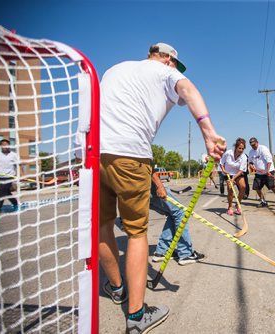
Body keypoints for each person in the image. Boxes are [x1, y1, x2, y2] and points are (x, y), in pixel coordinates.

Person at [99, 42, 226, 333]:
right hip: (130, 155)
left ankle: (117, 288)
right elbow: (188, 89)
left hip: (95, 154)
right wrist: (208, 132)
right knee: (136, 233)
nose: (174, 69)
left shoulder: (116, 69)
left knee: (103, 225)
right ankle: (136, 316)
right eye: (174, 64)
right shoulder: (164, 72)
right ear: (167, 59)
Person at [150, 173, 205, 266]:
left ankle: (162, 252)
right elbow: (146, 165)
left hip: (134, 191)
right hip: (149, 188)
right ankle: (186, 254)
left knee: (172, 213)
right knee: (181, 213)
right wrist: (159, 186)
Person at [0, 139, 21, 214]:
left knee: (2, 193)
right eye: (3, 144)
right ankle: (16, 204)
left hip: (9, 176)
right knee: (6, 192)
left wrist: (20, 174)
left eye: (7, 144)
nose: (5, 146)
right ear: (1, 146)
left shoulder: (14, 155)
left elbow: (18, 165)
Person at [248, 137, 275, 207]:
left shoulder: (263, 149)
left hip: (269, 171)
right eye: (252, 145)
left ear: (257, 142)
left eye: (254, 144)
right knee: (256, 187)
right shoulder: (251, 152)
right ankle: (263, 201)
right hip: (259, 173)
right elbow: (250, 161)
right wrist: (251, 165)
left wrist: (267, 170)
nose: (253, 146)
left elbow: (269, 161)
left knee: (271, 186)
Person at [220, 138, 248, 215]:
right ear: (236, 147)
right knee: (230, 190)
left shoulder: (244, 157)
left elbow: (241, 170)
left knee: (243, 187)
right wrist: (224, 170)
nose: (241, 150)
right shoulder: (228, 153)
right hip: (228, 173)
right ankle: (229, 207)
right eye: (239, 148)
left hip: (237, 174)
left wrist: (234, 179)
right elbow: (221, 163)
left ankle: (237, 204)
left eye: (243, 148)